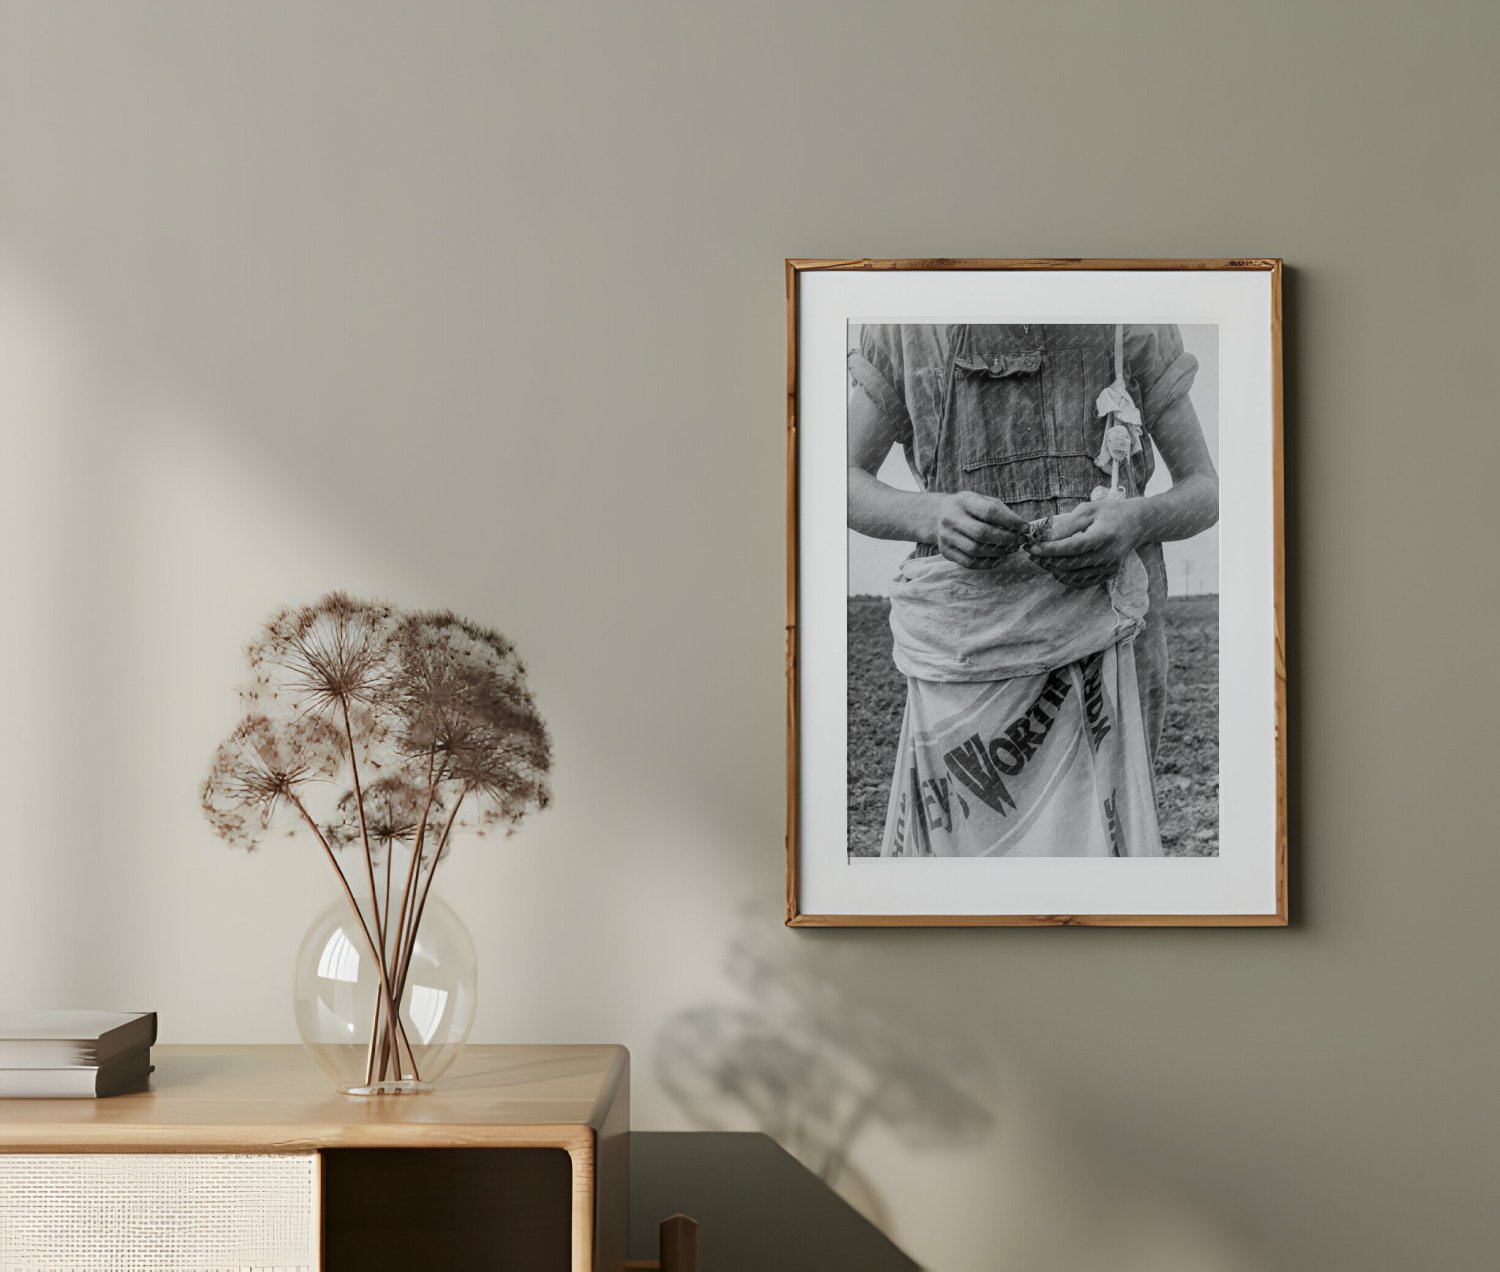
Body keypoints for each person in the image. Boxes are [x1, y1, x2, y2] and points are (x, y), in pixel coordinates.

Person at [848, 323, 1217, 858]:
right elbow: (836, 477)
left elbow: (1204, 487)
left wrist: (1135, 520)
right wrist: (931, 515)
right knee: (968, 871)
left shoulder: (1129, 315)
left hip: (1111, 646)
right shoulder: (908, 324)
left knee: (1101, 867)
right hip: (966, 653)